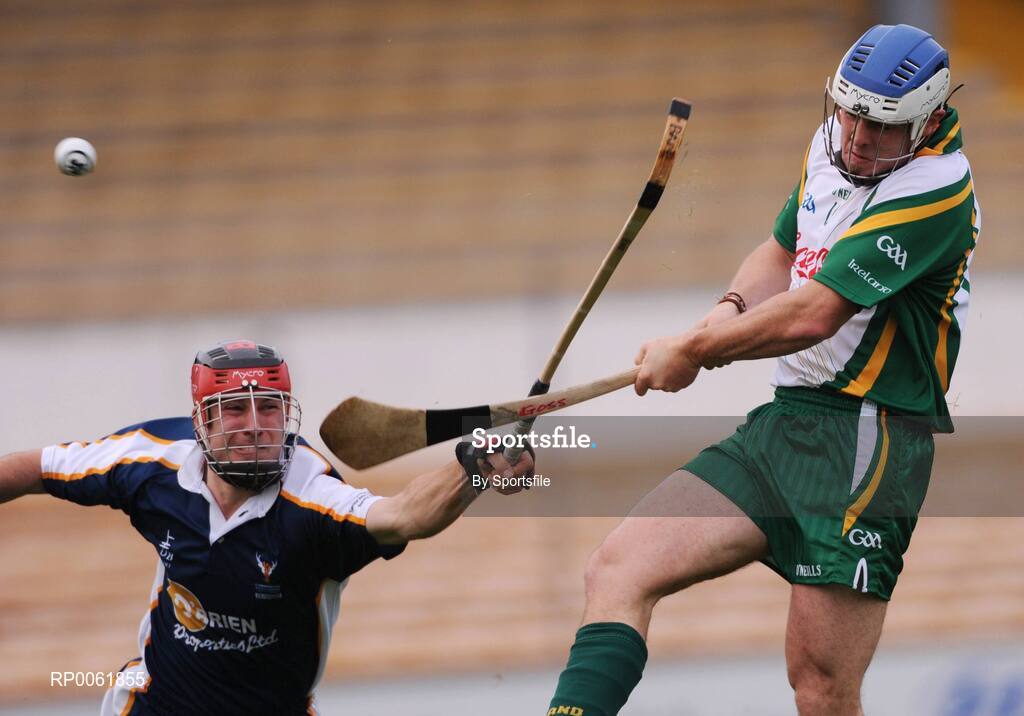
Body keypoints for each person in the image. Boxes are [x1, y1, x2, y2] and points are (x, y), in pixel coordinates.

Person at [547, 23, 979, 716]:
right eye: (851, 114)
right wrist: (720, 315)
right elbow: (781, 253)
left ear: (927, 122)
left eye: (882, 126)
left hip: (868, 440)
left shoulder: (937, 191)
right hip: (785, 423)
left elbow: (815, 313)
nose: (860, 137)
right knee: (618, 568)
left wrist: (694, 353)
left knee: (820, 687)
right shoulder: (831, 146)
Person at [0, 339, 533, 715]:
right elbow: (33, 468)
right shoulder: (150, 464)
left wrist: (476, 467)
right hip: (153, 705)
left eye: (270, 409)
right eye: (234, 409)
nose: (255, 425)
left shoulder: (313, 500)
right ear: (201, 421)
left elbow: (407, 515)